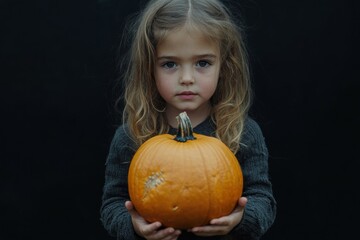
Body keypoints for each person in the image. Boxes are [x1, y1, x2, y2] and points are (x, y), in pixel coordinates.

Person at [100, 0, 276, 239]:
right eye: (170, 64)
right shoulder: (132, 134)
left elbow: (264, 202)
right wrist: (134, 227)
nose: (186, 78)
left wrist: (240, 220)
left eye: (202, 63)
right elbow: (112, 205)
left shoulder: (241, 132)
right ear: (149, 68)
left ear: (223, 67)